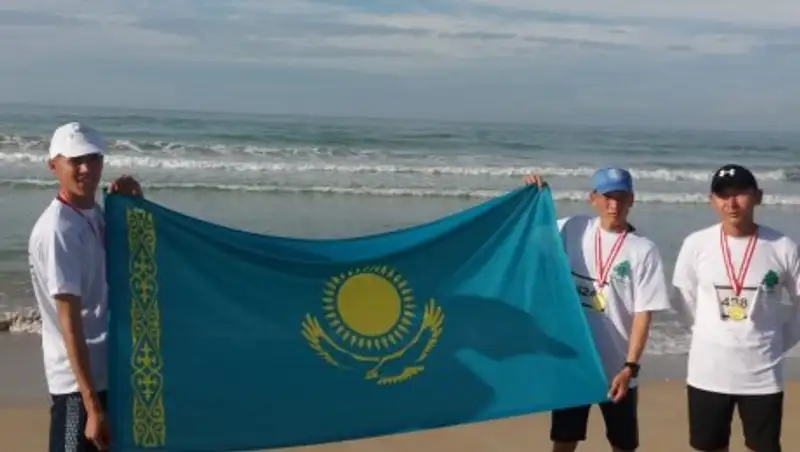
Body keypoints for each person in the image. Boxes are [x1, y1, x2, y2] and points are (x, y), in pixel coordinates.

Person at [525, 168, 672, 452]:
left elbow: (643, 314)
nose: (613, 205)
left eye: (621, 197)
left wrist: (630, 367)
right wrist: (532, 196)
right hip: (575, 363)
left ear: (632, 200)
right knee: (564, 440)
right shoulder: (573, 228)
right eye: (607, 197)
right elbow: (530, 232)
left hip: (617, 369)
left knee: (623, 444)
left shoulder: (643, 250)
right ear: (593, 198)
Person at [28, 121, 144, 452]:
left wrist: (135, 205)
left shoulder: (95, 214)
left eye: (93, 159)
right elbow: (70, 321)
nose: (86, 169)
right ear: (54, 166)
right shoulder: (58, 231)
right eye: (75, 160)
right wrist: (91, 406)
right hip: (77, 388)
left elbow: (132, 263)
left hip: (108, 372)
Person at [671, 164, 800, 452]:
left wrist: (779, 341)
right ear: (711, 200)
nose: (731, 203)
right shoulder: (696, 244)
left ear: (758, 196)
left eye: (740, 193)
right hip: (708, 372)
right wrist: (709, 334)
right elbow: (682, 300)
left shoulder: (782, 246)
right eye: (723, 195)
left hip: (763, 375)